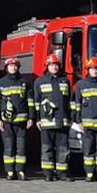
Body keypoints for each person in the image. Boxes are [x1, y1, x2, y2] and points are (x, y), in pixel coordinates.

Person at [33, 54, 73, 182]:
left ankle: (62, 173)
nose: (54, 67)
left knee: (63, 148)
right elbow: (36, 102)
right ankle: (48, 173)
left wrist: (71, 118)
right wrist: (38, 119)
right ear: (47, 66)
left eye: (56, 65)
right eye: (52, 65)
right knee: (47, 147)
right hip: (47, 121)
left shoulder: (65, 81)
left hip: (63, 120)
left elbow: (70, 102)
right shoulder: (39, 81)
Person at [0, 57, 34, 180]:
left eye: (15, 66)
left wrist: (31, 117)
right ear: (6, 68)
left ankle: (20, 170)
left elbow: (30, 102)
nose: (13, 68)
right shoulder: (0, 83)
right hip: (7, 122)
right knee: (9, 146)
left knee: (21, 147)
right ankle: (9, 171)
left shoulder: (24, 82)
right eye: (11, 66)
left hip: (22, 122)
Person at [74, 57, 97, 182]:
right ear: (88, 70)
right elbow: (77, 104)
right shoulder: (80, 84)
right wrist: (78, 120)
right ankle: (89, 173)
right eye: (92, 69)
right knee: (88, 150)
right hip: (87, 125)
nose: (95, 71)